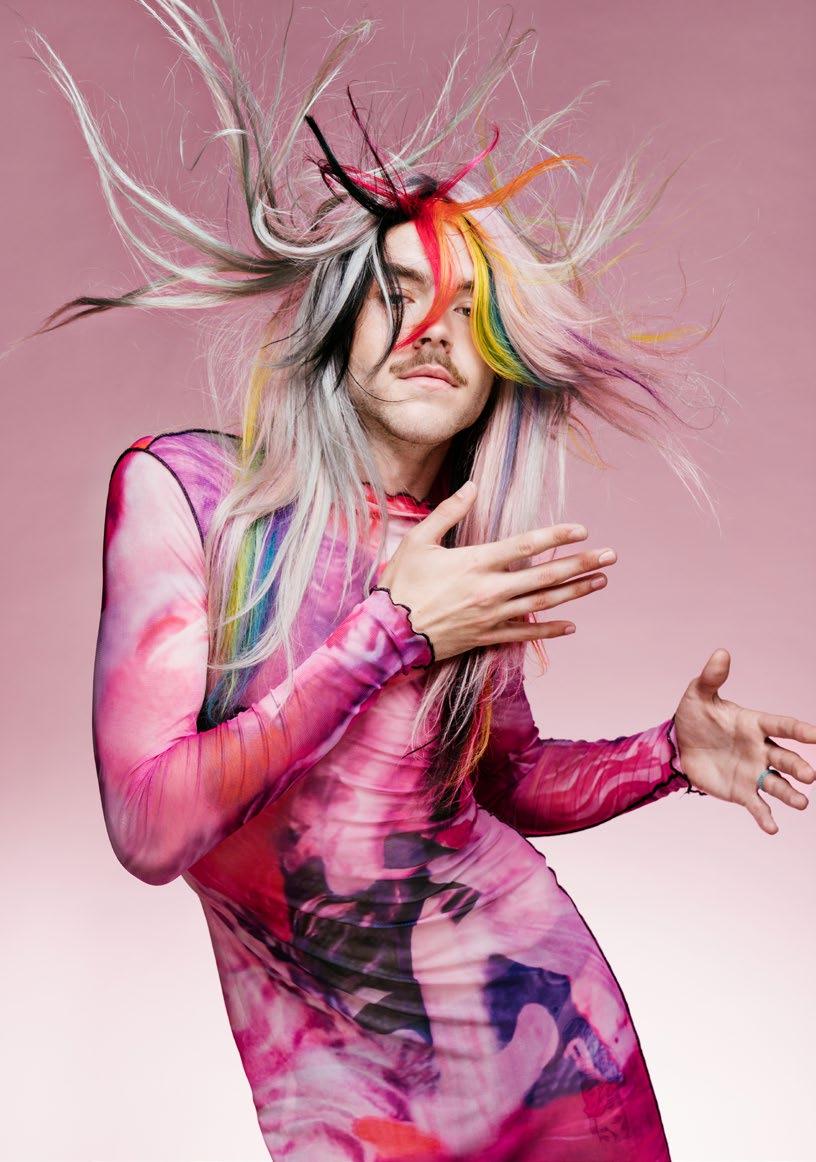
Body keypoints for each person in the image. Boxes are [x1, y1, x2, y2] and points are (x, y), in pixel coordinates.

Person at [26, 4, 814, 1159]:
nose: (434, 326)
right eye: (398, 292)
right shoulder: (189, 495)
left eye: (470, 310)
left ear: (499, 371)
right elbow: (151, 828)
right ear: (339, 327)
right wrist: (391, 628)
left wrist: (667, 755)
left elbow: (503, 779)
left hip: (551, 1038)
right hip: (336, 1077)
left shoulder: (459, 559)